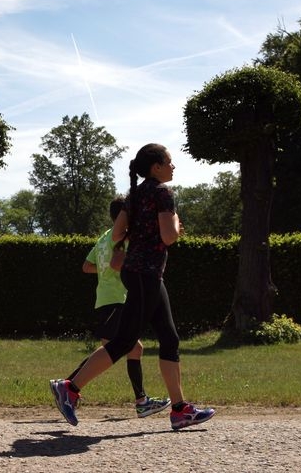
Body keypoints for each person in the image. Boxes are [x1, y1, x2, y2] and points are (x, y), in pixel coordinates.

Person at [50, 144, 215, 430]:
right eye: (169, 162)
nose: (173, 167)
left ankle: (179, 409)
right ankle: (70, 387)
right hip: (145, 274)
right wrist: (175, 224)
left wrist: (138, 233)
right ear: (156, 167)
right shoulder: (163, 194)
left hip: (140, 274)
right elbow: (168, 237)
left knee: (169, 337)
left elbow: (116, 234)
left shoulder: (134, 194)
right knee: (125, 341)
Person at [68, 195, 170, 418]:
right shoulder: (124, 238)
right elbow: (117, 263)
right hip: (117, 298)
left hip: (105, 299)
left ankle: (141, 400)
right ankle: (68, 387)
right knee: (119, 349)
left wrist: (104, 271)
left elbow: (87, 266)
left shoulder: (104, 238)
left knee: (125, 349)